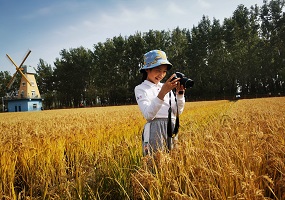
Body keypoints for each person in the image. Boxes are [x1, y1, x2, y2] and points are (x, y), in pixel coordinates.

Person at [134, 50, 186, 156]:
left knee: (173, 161)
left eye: (164, 71)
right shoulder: (141, 89)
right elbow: (148, 115)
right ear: (147, 69)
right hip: (155, 130)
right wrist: (162, 93)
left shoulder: (165, 87)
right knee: (155, 164)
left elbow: (177, 112)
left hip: (171, 127)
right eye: (158, 70)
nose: (161, 75)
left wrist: (180, 95)